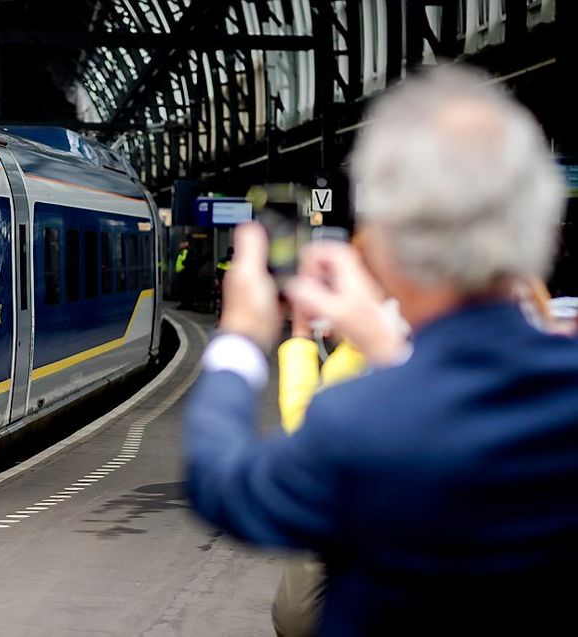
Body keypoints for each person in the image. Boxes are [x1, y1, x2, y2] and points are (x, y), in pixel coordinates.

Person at [185, 65, 577, 635]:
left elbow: (223, 484)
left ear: (387, 246)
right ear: (540, 229)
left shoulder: (358, 423)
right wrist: (380, 340)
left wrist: (240, 338)